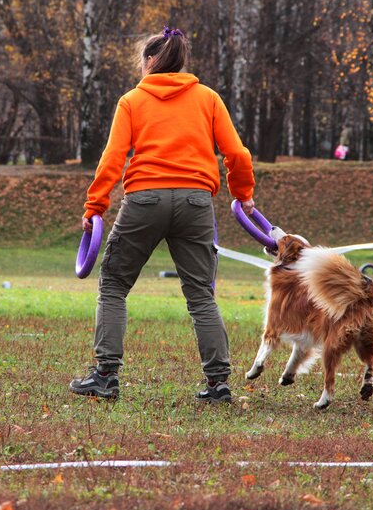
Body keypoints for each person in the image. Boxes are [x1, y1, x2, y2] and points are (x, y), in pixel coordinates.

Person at [69, 26, 256, 403]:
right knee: (201, 295)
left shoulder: (132, 100)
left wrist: (95, 206)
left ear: (151, 61)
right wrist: (244, 196)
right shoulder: (208, 98)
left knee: (114, 285)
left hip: (144, 200)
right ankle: (218, 384)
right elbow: (237, 154)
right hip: (196, 202)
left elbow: (112, 158)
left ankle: (105, 376)